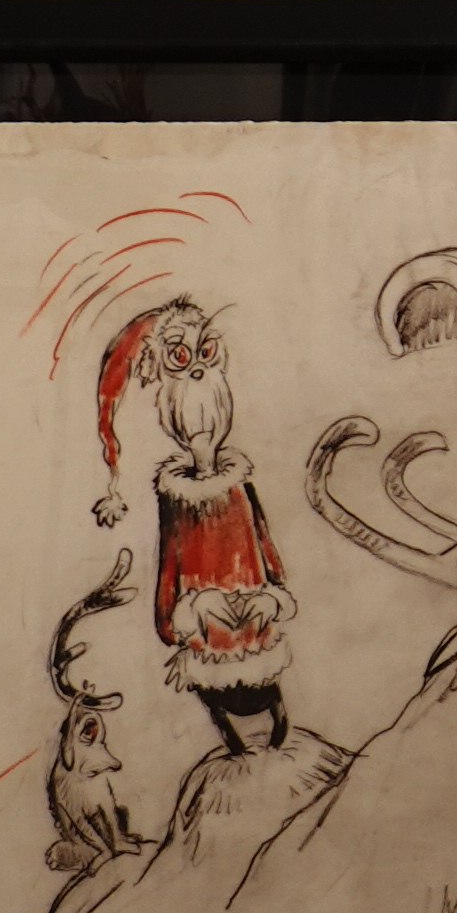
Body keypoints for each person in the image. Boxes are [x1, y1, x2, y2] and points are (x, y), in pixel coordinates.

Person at [91, 299, 299, 759]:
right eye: (183, 357)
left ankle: (268, 724)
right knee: (230, 690)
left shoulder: (238, 480)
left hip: (253, 609)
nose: (199, 371)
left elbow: (262, 537)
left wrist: (273, 585)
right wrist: (174, 617)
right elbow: (171, 562)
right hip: (208, 623)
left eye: (203, 353)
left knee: (259, 685)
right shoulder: (177, 497)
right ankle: (238, 729)